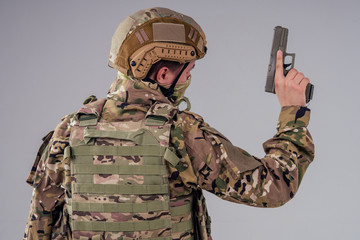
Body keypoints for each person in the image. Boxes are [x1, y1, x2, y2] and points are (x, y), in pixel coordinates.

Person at [24, 7, 314, 240]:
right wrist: (293, 112)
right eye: (189, 71)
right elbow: (274, 186)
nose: (188, 79)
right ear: (163, 75)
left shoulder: (69, 129)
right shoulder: (181, 132)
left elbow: (40, 222)